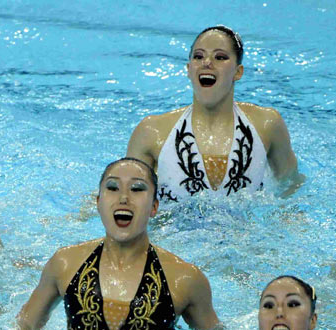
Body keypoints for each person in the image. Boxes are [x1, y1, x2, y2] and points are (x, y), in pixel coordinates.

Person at [16, 157, 222, 330]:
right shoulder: (65, 264)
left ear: (154, 207)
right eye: (113, 187)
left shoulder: (184, 279)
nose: (124, 197)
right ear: (98, 203)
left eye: (137, 189)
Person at [126, 25, 300, 202]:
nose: (207, 62)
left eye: (220, 57)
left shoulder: (266, 125)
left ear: (238, 72)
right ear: (189, 69)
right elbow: (126, 198)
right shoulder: (152, 132)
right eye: (198, 56)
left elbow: (291, 186)